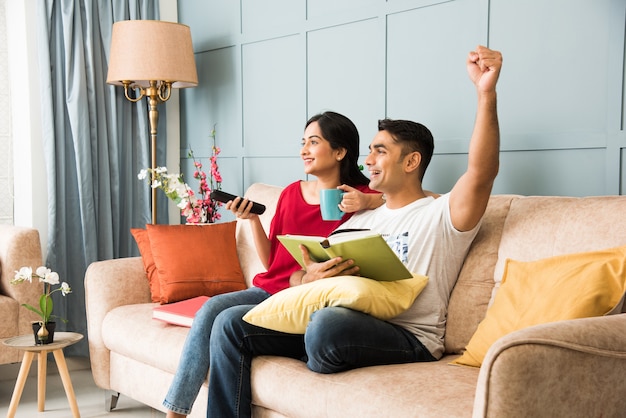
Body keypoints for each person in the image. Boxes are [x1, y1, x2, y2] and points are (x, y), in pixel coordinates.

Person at [203, 45, 502, 417]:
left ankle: (315, 346)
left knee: (326, 324)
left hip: (408, 337)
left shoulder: (440, 214)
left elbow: (481, 173)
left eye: (380, 152)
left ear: (411, 161)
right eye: (369, 152)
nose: (368, 161)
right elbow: (301, 272)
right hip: (344, 321)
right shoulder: (358, 220)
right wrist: (309, 276)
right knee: (231, 321)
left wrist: (485, 93)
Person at [163, 111, 383, 418]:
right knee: (210, 310)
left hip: (305, 300)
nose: (304, 150)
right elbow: (271, 262)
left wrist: (371, 201)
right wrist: (252, 219)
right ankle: (175, 412)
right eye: (303, 142)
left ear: (340, 151)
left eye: (314, 142)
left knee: (225, 320)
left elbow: (418, 203)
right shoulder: (292, 193)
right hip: (270, 290)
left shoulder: (363, 198)